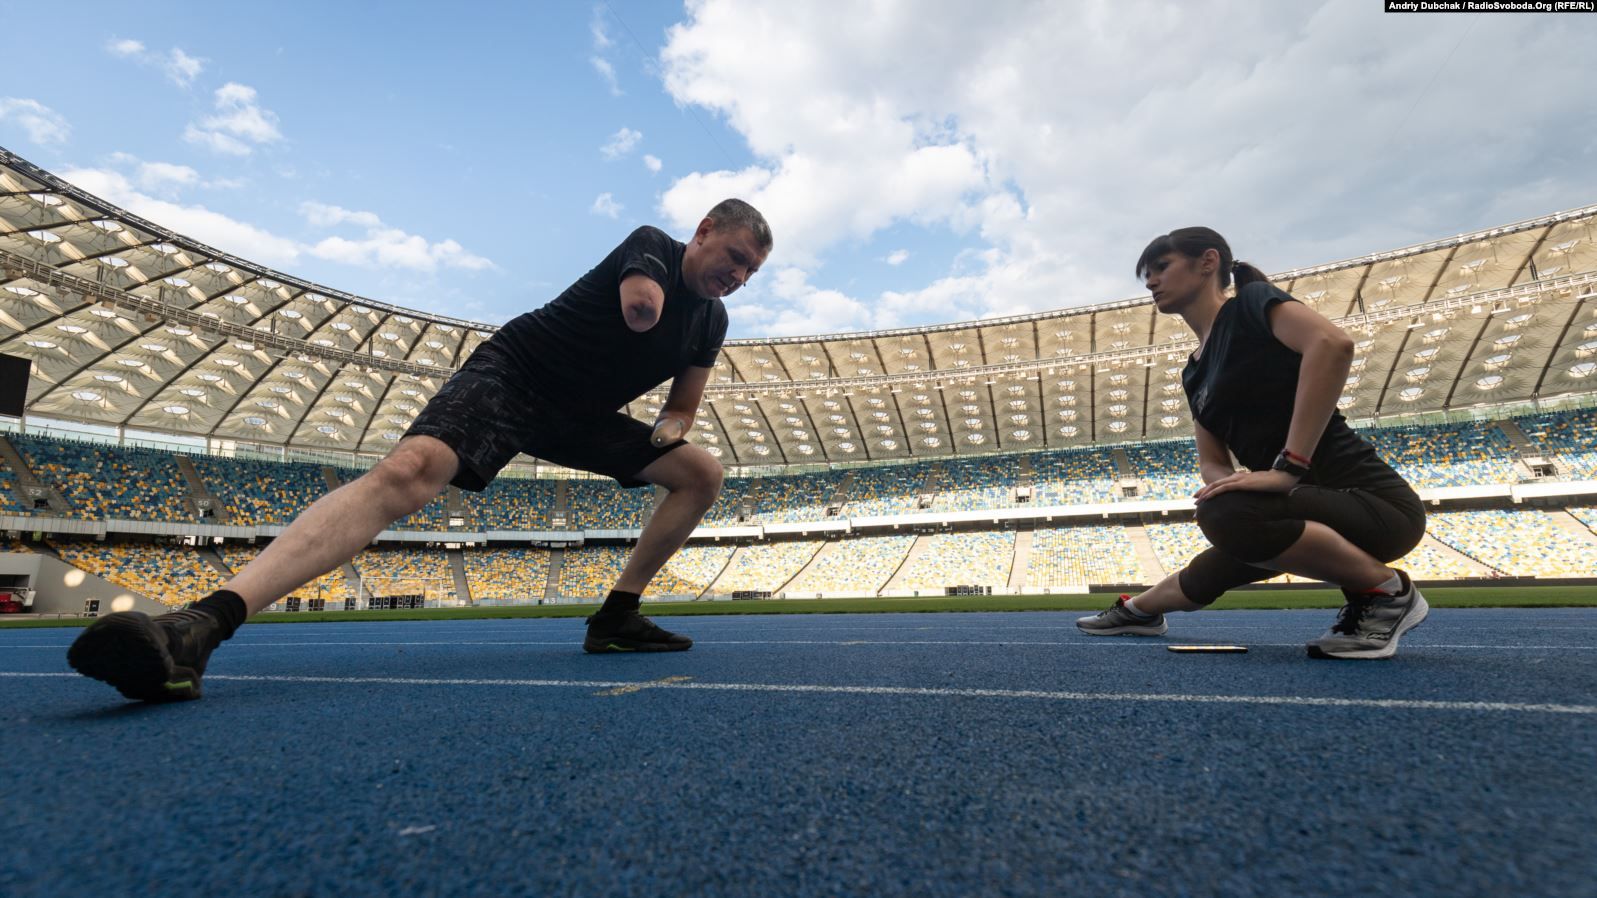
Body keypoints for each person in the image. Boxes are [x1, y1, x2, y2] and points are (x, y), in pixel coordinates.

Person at [68, 199, 773, 701]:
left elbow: (682, 405)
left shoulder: (712, 318)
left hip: (581, 414)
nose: (736, 275)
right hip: (518, 373)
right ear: (702, 231)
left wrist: (668, 434)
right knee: (412, 469)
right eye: (733, 257)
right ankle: (202, 625)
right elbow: (640, 305)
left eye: (750, 272)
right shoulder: (648, 242)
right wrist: (650, 302)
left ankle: (616, 615)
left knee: (700, 474)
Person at [1076, 227, 1428, 659]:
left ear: (1207, 262)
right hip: (1298, 506)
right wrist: (1225, 483)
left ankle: (1388, 594)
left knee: (1226, 516)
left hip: (1373, 506)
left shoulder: (1251, 304)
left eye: (1161, 268)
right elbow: (1213, 461)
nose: (1150, 282)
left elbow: (1332, 344)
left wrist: (1288, 467)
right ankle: (1137, 612)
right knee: (1218, 545)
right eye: (1146, 274)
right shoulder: (1193, 372)